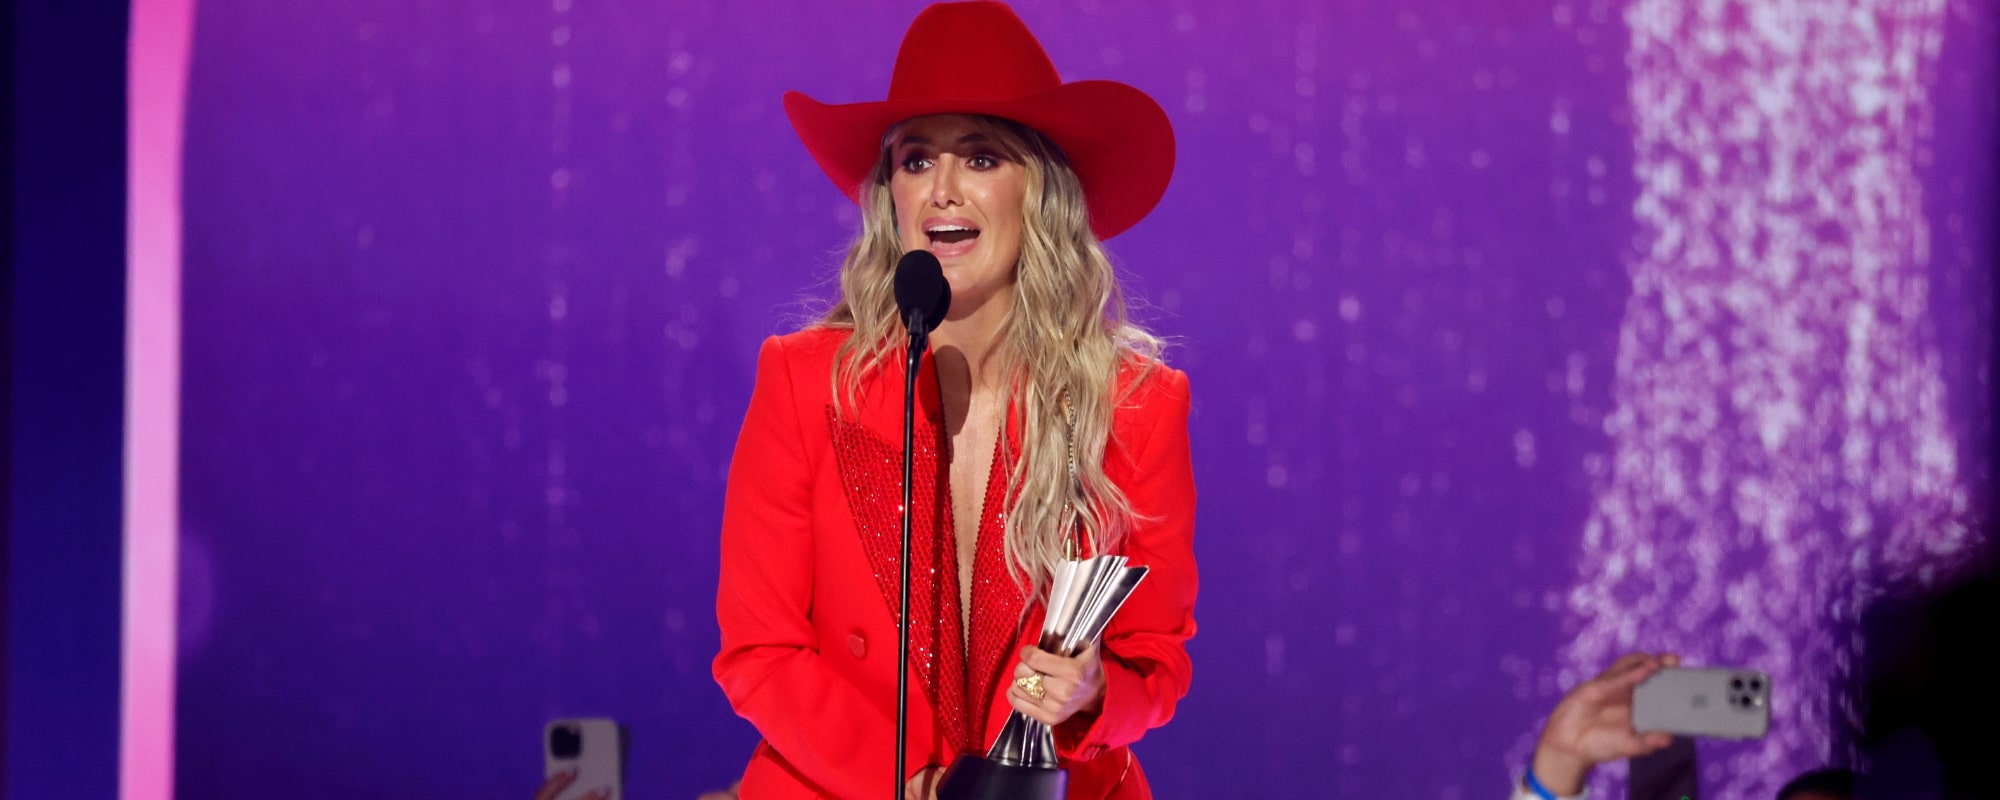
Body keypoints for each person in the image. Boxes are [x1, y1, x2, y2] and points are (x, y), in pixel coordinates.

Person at [711, 3, 1195, 800]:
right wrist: (906, 779)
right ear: (888, 192)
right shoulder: (805, 380)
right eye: (913, 160)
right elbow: (758, 651)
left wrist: (1093, 693)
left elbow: (1159, 663)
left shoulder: (1135, 402)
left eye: (979, 158)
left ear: (1040, 189)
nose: (941, 192)